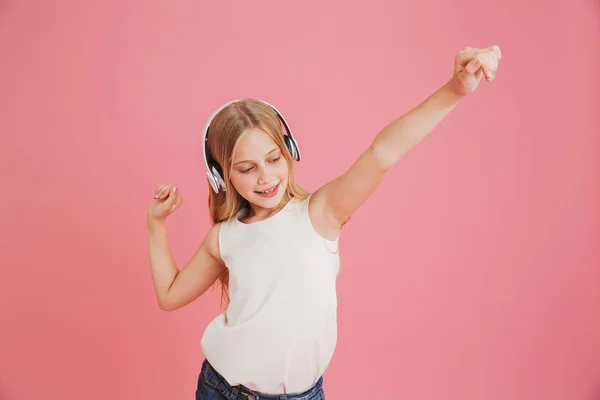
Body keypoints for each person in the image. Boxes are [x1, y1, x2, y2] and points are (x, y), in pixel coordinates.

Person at [147, 45, 502, 399]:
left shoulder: (320, 213)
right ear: (220, 176)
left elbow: (382, 153)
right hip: (222, 389)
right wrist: (156, 223)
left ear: (290, 150)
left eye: (273, 159)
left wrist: (454, 90)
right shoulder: (223, 237)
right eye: (247, 168)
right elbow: (169, 295)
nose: (265, 177)